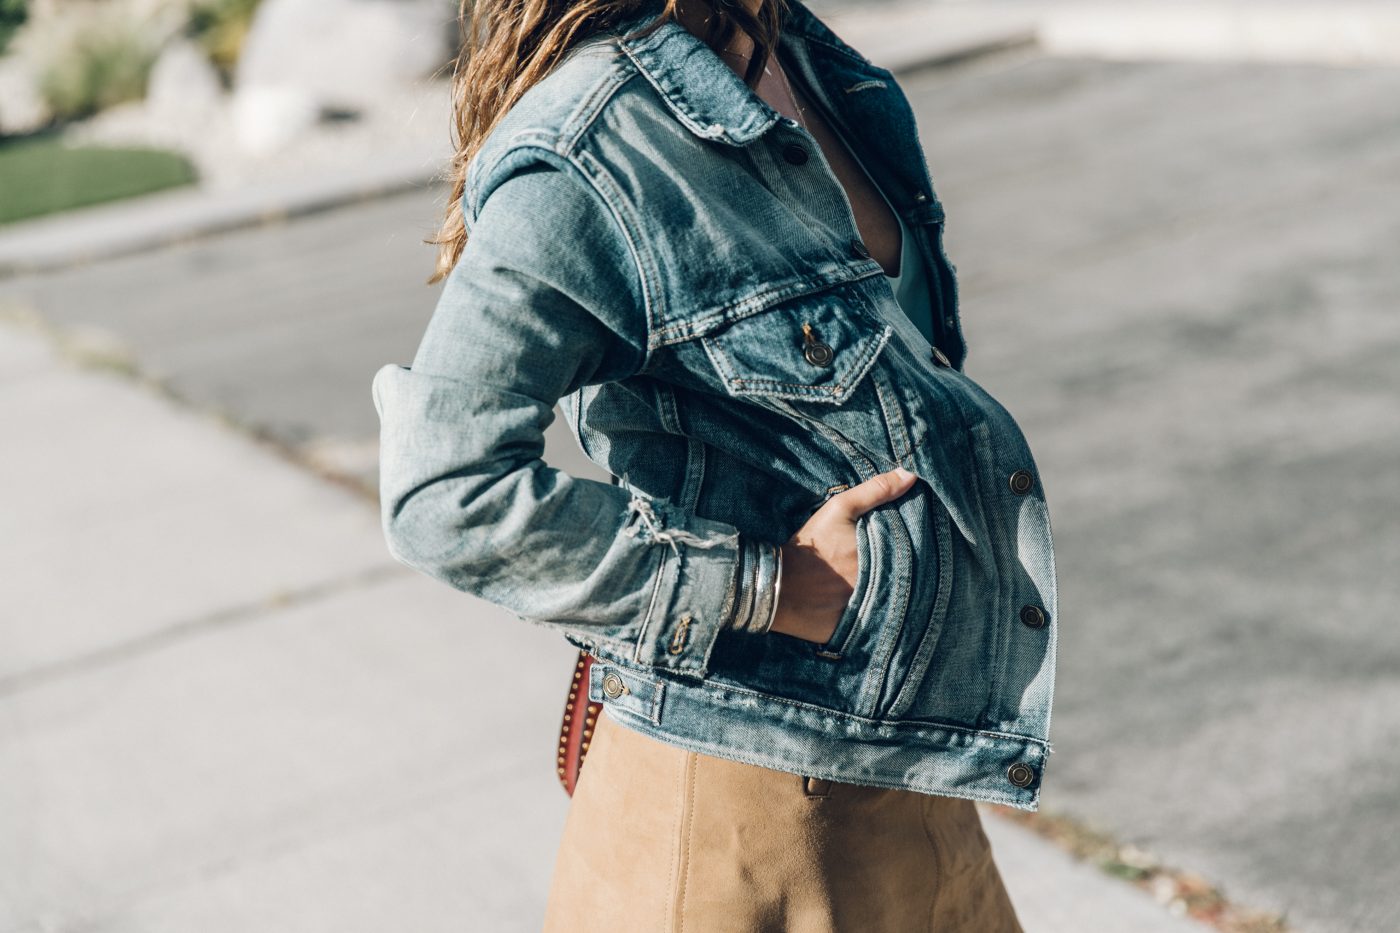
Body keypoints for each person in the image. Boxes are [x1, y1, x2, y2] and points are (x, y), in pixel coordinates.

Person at [371, 0, 1058, 928]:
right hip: (742, 804)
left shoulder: (804, 59)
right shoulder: (591, 145)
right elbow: (443, 490)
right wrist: (763, 585)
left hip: (898, 755)